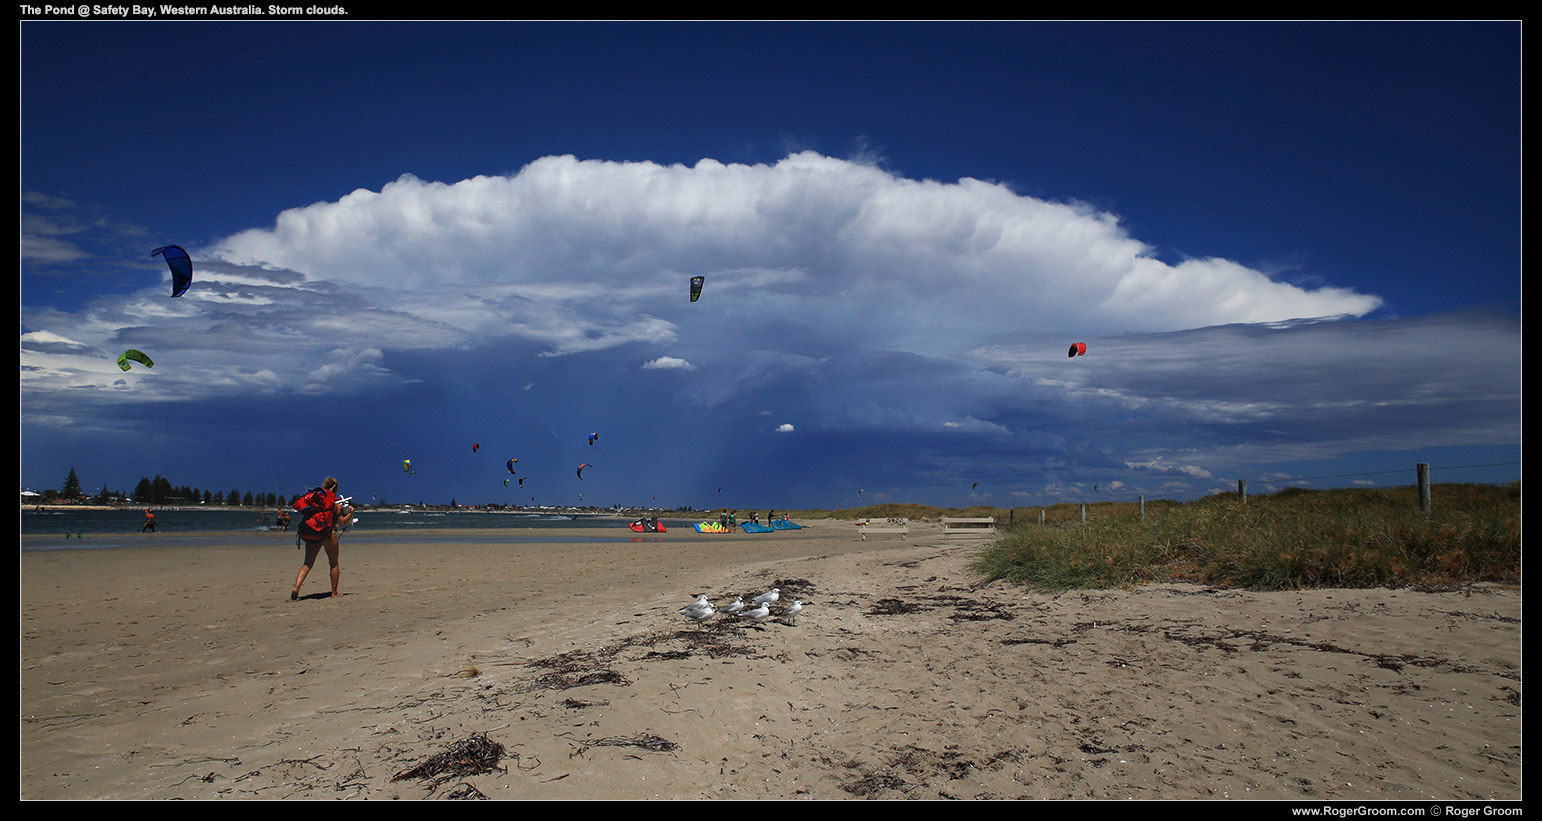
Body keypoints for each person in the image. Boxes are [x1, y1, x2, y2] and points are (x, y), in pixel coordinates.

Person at [291, 477, 350, 600]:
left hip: (312, 533)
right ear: (336, 488)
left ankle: (296, 587)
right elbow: (343, 522)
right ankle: (334, 592)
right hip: (328, 535)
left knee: (307, 563)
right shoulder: (335, 503)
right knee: (334, 564)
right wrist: (351, 513)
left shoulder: (316, 499)